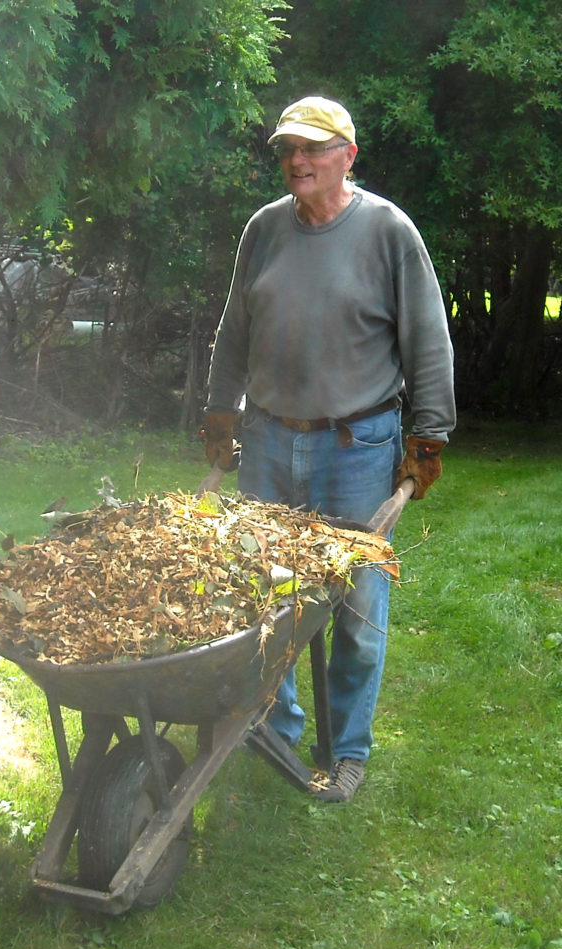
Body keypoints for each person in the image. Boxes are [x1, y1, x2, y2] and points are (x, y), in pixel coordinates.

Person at [200, 96, 456, 802]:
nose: (297, 162)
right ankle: (277, 729)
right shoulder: (265, 230)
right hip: (271, 440)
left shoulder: (387, 232)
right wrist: (222, 412)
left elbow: (427, 340)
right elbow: (234, 330)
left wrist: (427, 435)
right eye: (288, 150)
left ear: (349, 155)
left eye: (312, 149)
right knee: (266, 593)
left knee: (357, 607)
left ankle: (346, 751)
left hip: (358, 447)